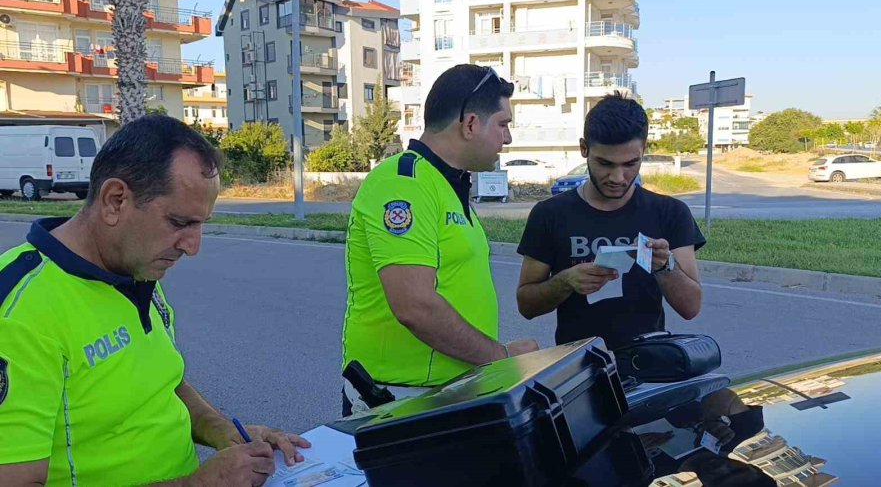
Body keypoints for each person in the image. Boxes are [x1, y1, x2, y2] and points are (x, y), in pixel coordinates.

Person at [0, 115, 309, 486]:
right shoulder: (19, 313)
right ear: (115, 201)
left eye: (200, 224)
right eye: (179, 223)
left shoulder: (136, 267)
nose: (193, 247)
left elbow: (165, 383)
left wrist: (227, 432)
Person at [341, 64, 539, 415]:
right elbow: (415, 306)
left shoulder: (445, 184)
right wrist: (502, 358)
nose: (507, 139)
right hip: (399, 398)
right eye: (503, 124)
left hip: (446, 390)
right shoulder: (403, 183)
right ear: (470, 124)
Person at [516, 92, 704, 351]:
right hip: (579, 369)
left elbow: (690, 307)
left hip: (649, 366)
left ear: (644, 151)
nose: (618, 177)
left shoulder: (670, 212)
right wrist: (565, 281)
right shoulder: (550, 214)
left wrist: (665, 266)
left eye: (630, 163)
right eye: (605, 163)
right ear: (584, 149)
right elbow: (526, 305)